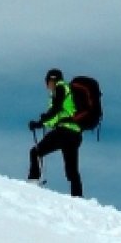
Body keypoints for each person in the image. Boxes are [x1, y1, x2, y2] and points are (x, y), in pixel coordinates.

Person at [27, 68, 84, 197]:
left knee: (35, 152)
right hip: (75, 134)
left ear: (52, 79)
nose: (47, 85)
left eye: (47, 81)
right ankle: (78, 197)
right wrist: (43, 122)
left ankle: (33, 182)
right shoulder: (68, 91)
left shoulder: (60, 88)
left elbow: (56, 109)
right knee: (72, 170)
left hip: (64, 132)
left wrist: (39, 123)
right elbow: (57, 115)